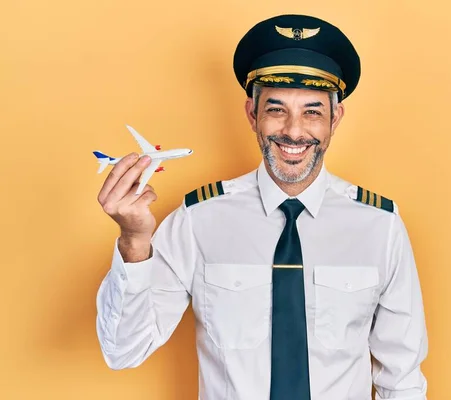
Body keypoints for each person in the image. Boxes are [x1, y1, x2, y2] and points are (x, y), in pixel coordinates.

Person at [95, 13, 429, 400]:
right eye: (275, 109)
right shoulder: (197, 220)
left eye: (312, 111)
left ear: (335, 118)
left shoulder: (380, 226)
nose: (293, 130)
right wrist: (134, 242)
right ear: (252, 115)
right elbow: (121, 350)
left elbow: (401, 379)